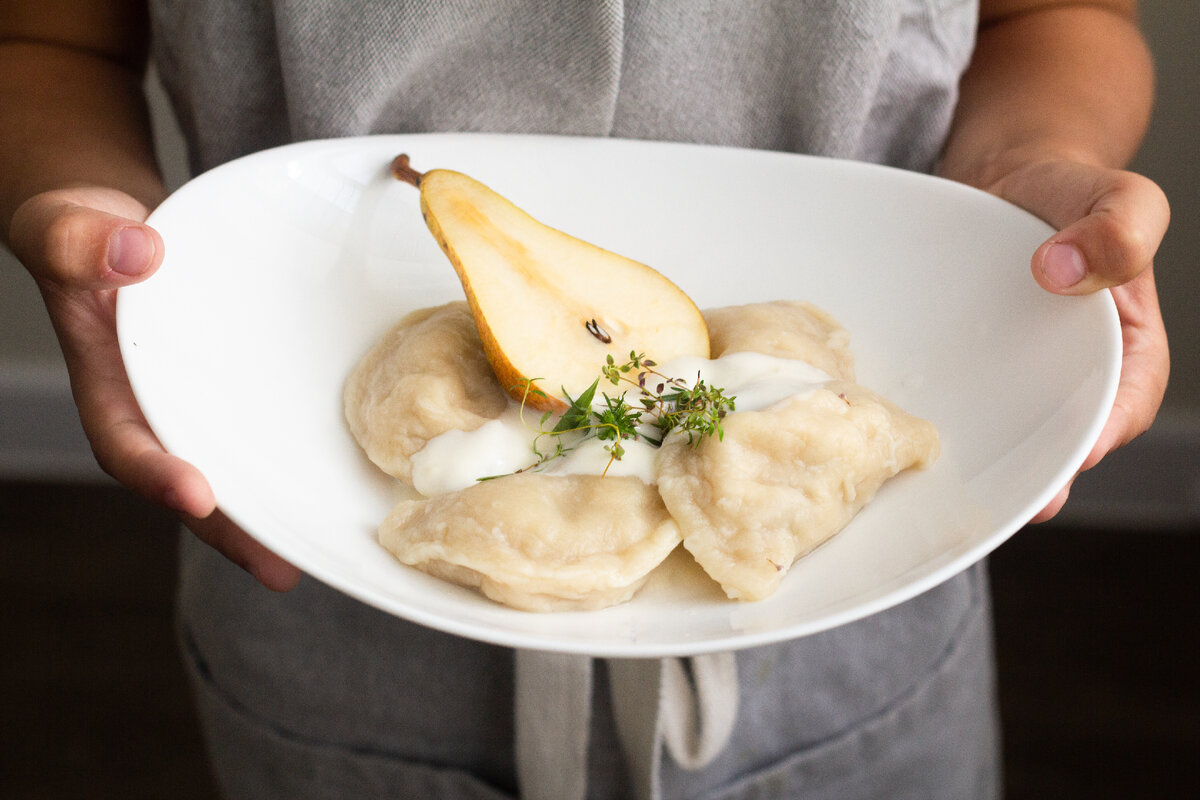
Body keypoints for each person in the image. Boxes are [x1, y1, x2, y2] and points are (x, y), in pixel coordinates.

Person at [0, 1, 1170, 798]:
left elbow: (1058, 17)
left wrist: (1022, 188)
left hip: (862, 638)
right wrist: (91, 222)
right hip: (323, 601)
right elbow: (50, 36)